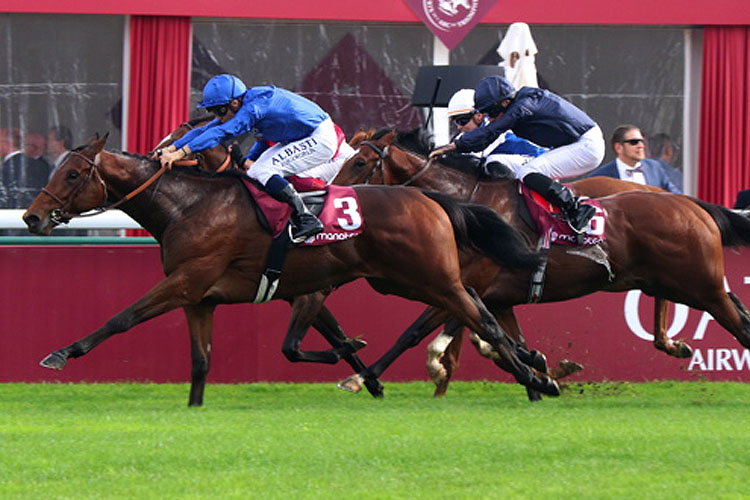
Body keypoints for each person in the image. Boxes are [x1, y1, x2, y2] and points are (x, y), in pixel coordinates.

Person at [160, 74, 353, 243]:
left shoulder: (253, 108)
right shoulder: (240, 105)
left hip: (320, 137)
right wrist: (170, 148)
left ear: (234, 103)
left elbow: (222, 132)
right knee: (255, 172)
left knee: (266, 170)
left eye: (219, 111)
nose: (217, 116)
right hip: (301, 136)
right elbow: (204, 130)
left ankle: (307, 218)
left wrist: (180, 154)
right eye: (213, 112)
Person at [431, 75, 605, 233]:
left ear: (505, 103)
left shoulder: (523, 105)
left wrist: (452, 147)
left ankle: (576, 209)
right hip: (572, 144)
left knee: (527, 171)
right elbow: (483, 140)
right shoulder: (515, 104)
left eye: (490, 112)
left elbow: (492, 131)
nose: (488, 118)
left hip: (587, 145)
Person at [447, 88, 546, 174]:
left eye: (462, 121)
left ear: (478, 116)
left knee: (492, 162)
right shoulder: (464, 136)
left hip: (538, 162)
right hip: (515, 165)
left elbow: (474, 157)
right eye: (456, 122)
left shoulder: (494, 126)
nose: (459, 127)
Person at [587, 125, 681, 194]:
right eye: (634, 142)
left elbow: (675, 195)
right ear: (619, 147)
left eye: (642, 141)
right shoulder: (601, 177)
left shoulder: (654, 168)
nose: (641, 146)